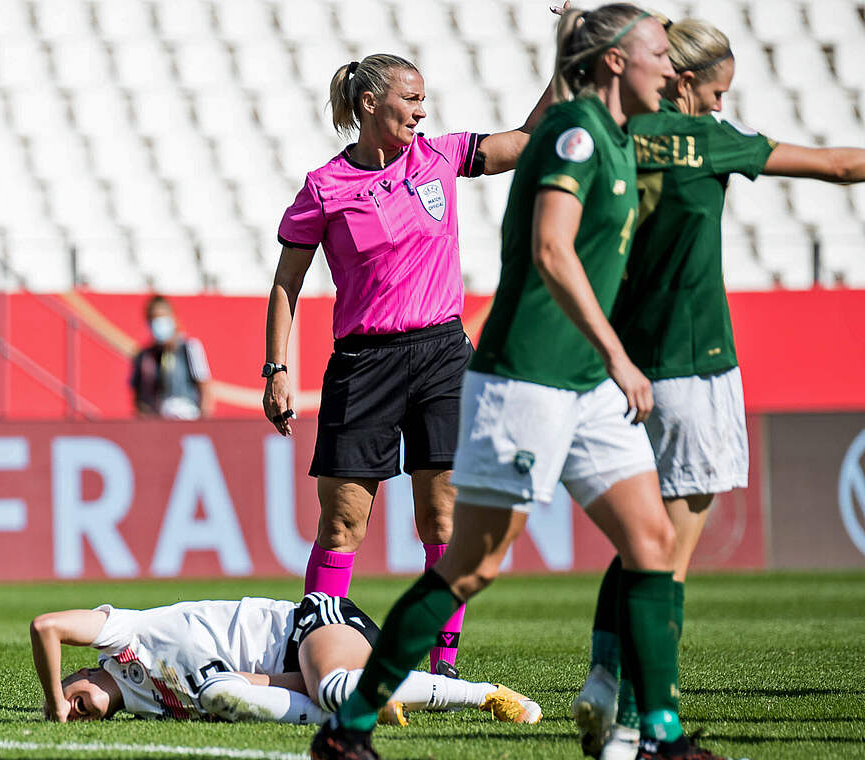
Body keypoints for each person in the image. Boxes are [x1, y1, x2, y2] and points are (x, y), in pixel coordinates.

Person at [310, 6, 738, 760]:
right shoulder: (574, 137)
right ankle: (349, 727)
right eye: (656, 54)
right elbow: (549, 249)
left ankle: (659, 735)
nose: (672, 69)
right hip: (530, 382)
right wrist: (618, 351)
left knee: (650, 541)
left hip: (586, 382)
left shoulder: (618, 133)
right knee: (471, 563)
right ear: (612, 63)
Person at [576, 17, 865, 760]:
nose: (718, 105)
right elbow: (837, 167)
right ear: (682, 81)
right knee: (666, 558)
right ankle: (642, 727)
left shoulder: (614, 136)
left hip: (624, 366)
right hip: (694, 364)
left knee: (642, 534)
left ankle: (606, 679)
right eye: (714, 91)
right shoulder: (707, 140)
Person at [264, 51, 553, 677]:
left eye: (424, 101)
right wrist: (276, 367)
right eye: (412, 100)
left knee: (442, 514)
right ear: (371, 104)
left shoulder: (441, 158)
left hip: (442, 355)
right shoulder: (324, 187)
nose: (423, 112)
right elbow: (287, 280)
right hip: (363, 364)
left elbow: (529, 142)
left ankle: (441, 662)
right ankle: (317, 651)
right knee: (343, 521)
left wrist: (568, 63)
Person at [30, 593, 540, 725]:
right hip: (293, 671)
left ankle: (485, 694)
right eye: (74, 715)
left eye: (69, 697)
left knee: (337, 689)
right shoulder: (151, 705)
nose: (73, 709)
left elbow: (45, 626)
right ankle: (360, 703)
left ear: (78, 669)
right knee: (331, 695)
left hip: (313, 625)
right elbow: (255, 683)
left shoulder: (121, 635)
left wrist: (53, 704)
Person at [130, 295, 214, 419]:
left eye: (162, 317)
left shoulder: (190, 348)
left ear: (173, 317)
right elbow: (139, 398)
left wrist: (204, 422)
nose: (159, 324)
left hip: (189, 419)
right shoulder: (144, 357)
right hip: (159, 423)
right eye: (154, 319)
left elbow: (205, 388)